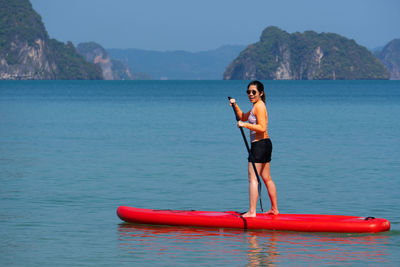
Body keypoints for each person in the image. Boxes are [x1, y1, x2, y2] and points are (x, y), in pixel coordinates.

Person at [229, 81, 279, 217]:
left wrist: (244, 125)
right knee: (266, 177)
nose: (250, 94)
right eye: (248, 92)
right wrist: (235, 105)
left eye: (254, 92)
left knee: (253, 179)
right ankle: (274, 209)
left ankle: (252, 212)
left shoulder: (260, 107)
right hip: (265, 144)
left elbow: (262, 127)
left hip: (259, 145)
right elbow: (242, 117)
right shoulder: (255, 107)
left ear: (261, 93)